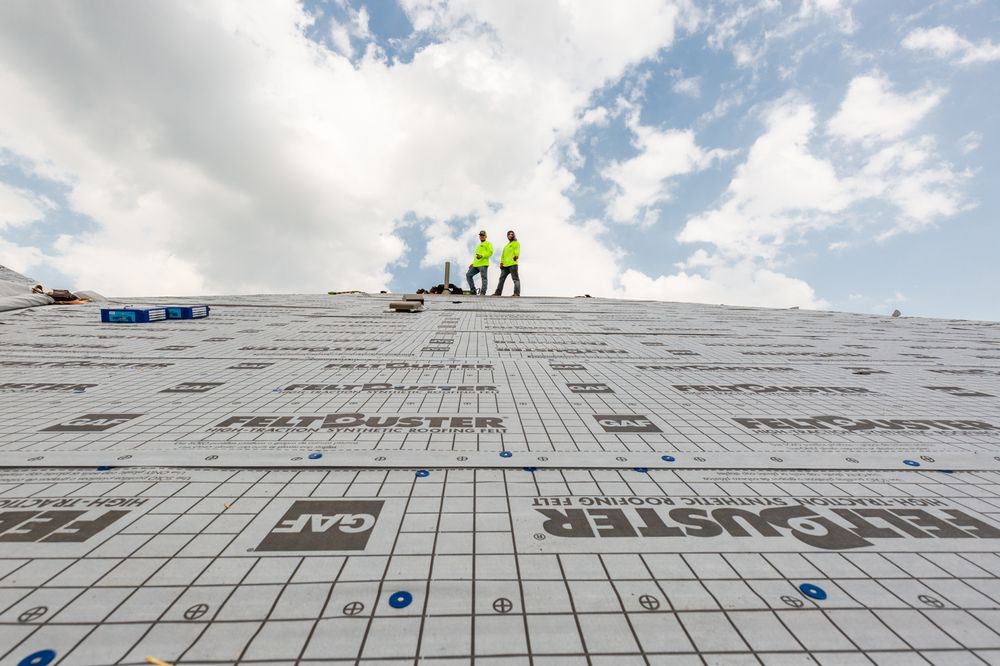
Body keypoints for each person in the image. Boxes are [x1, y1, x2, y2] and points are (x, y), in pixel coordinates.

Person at [493, 229, 520, 297]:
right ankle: (498, 293)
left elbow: (517, 250)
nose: (510, 235)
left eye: (511, 234)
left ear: (513, 235)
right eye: (509, 234)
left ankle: (516, 293)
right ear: (507, 236)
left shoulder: (516, 243)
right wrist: (501, 263)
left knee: (515, 279)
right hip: (505, 266)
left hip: (513, 264)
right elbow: (503, 255)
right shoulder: (506, 246)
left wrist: (516, 256)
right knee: (501, 279)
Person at [465, 230, 493, 295]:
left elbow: (490, 252)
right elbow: (476, 256)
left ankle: (483, 292)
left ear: (486, 236)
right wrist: (473, 263)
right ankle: (473, 291)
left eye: (483, 235)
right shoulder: (478, 245)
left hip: (483, 264)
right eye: (480, 235)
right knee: (468, 275)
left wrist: (482, 256)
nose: (481, 236)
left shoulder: (488, 243)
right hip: (475, 265)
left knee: (484, 278)